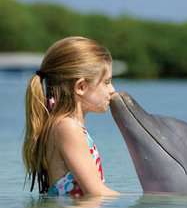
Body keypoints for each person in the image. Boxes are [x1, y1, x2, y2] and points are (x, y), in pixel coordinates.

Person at [22, 36, 119, 197]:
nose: (112, 90)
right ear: (81, 87)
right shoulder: (67, 127)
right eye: (107, 82)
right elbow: (96, 193)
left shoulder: (62, 125)